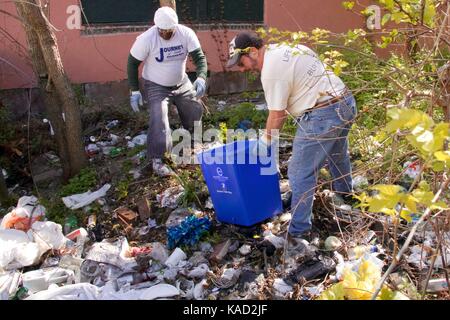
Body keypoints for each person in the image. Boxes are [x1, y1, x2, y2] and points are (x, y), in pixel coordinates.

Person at [226, 32, 357, 244]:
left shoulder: (270, 72)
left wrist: (265, 143)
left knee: (299, 171)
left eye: (241, 62)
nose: (241, 69)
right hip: (345, 101)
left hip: (323, 113)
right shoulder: (286, 47)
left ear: (252, 51)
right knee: (336, 153)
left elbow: (277, 115)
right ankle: (347, 195)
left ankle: (298, 231)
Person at [127, 6, 207, 176]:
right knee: (159, 117)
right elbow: (132, 63)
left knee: (194, 108)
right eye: (162, 31)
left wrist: (200, 77)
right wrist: (134, 91)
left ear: (175, 27)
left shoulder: (185, 34)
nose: (165, 34)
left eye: (169, 30)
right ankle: (158, 159)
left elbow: (199, 58)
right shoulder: (147, 39)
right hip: (156, 84)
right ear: (156, 27)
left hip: (181, 81)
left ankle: (193, 141)